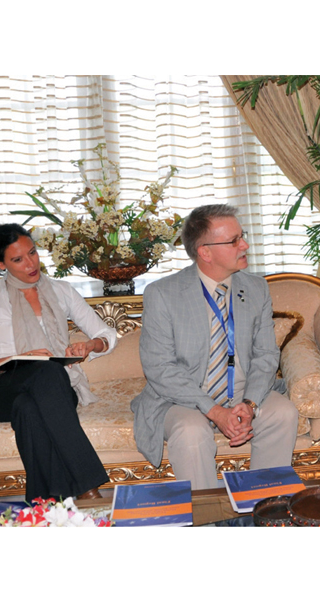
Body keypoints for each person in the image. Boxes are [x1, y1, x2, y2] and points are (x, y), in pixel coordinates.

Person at [131, 204, 298, 489]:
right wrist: (213, 410)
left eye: (242, 236)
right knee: (192, 430)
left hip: (244, 392)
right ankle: (207, 520)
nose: (244, 245)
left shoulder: (256, 288)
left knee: (283, 413)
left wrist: (250, 403)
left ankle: (263, 505)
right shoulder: (162, 294)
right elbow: (159, 368)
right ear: (205, 252)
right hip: (183, 398)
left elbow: (266, 355)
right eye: (233, 241)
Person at [0, 224, 116, 501]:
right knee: (44, 368)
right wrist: (20, 360)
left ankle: (41, 503)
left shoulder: (61, 290)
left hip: (54, 390)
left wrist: (90, 346)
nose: (31, 264)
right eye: (18, 259)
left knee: (29, 406)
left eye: (32, 253)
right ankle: (88, 487)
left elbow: (106, 334)